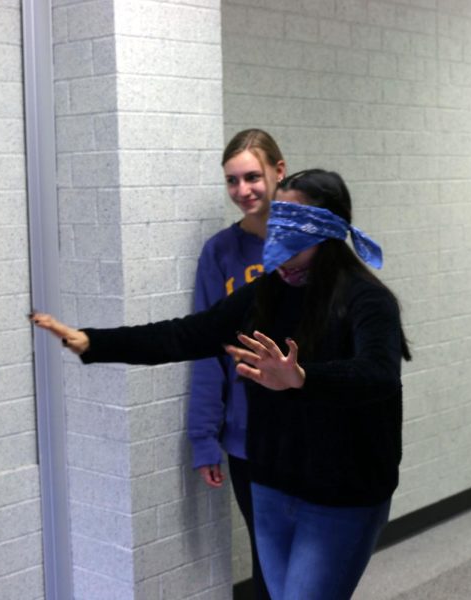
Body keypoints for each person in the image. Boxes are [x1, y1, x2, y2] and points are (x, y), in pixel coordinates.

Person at [33, 169, 410, 600]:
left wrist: (303, 378)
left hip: (341, 493)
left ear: (326, 227)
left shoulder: (365, 298)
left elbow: (378, 374)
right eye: (277, 215)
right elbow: (189, 334)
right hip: (271, 482)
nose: (278, 228)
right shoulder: (266, 292)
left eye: (293, 218)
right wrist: (94, 342)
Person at [190, 128, 285, 599]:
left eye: (252, 176)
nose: (242, 190)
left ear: (278, 172)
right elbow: (206, 351)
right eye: (232, 181)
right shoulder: (219, 253)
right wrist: (204, 436)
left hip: (308, 427)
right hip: (247, 436)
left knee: (311, 555)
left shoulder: (311, 245)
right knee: (266, 556)